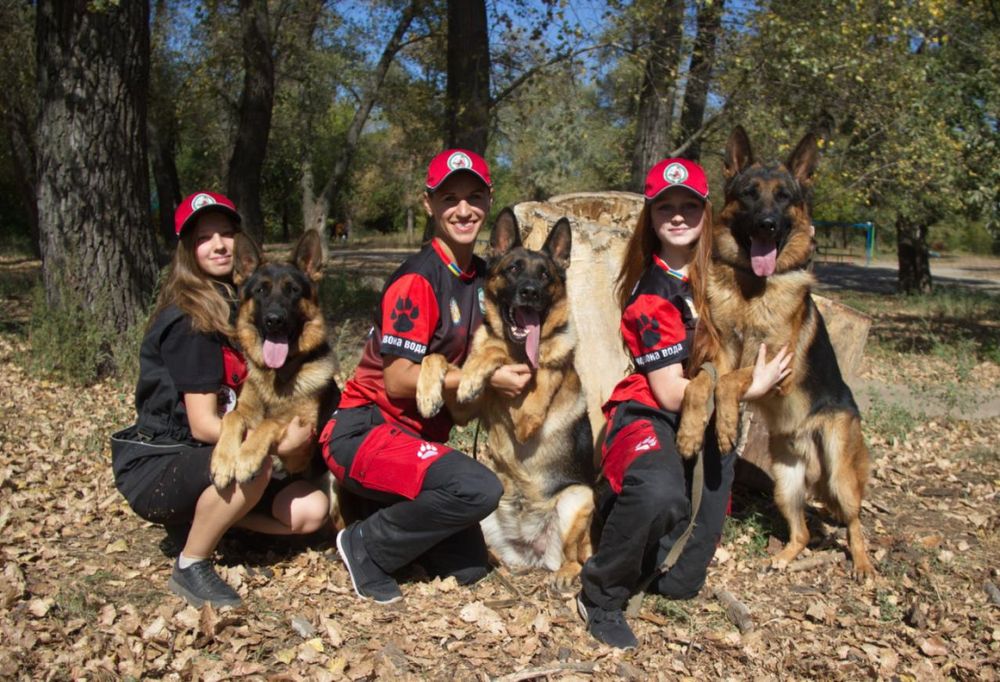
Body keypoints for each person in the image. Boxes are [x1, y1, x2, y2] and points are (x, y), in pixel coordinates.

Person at [576, 159, 793, 649]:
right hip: (651, 412)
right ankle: (601, 592)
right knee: (659, 495)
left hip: (711, 411)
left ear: (706, 212)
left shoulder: (725, 276)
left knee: (680, 584)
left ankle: (640, 527)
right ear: (650, 219)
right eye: (665, 208)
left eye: (689, 207)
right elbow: (672, 393)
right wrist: (752, 388)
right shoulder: (652, 294)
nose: (677, 217)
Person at [319, 149, 532, 604]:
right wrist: (487, 377)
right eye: (449, 198)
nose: (463, 209)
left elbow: (457, 407)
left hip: (419, 440)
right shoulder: (419, 278)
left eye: (474, 197)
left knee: (469, 567)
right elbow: (397, 382)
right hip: (363, 431)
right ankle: (362, 546)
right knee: (479, 488)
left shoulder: (478, 279)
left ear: (488, 200)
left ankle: (380, 510)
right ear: (429, 204)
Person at [111, 191, 330, 608]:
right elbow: (203, 424)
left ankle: (217, 523)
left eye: (226, 234)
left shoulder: (234, 307)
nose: (218, 245)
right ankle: (192, 563)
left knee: (312, 510)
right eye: (203, 237)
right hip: (163, 460)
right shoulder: (189, 320)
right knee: (255, 463)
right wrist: (265, 441)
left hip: (199, 457)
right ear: (187, 251)